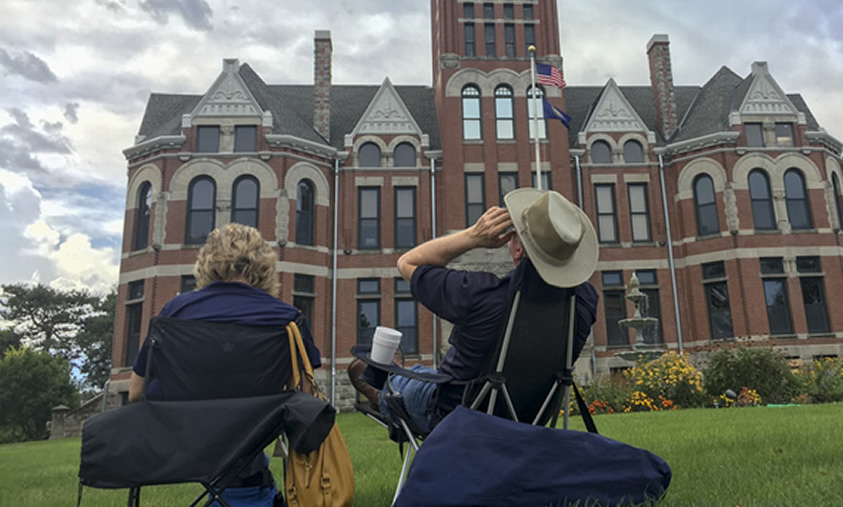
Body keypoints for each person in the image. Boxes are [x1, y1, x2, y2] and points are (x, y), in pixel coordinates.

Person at [349, 188, 599, 432]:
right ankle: (400, 377)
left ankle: (380, 393)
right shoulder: (585, 303)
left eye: (514, 235)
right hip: (529, 419)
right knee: (421, 372)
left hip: (456, 415)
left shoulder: (481, 295)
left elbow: (407, 262)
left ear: (517, 249)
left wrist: (473, 236)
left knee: (405, 381)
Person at [129, 223, 321, 507]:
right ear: (263, 265)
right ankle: (253, 494)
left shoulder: (175, 311)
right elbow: (305, 397)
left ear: (207, 264)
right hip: (255, 430)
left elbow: (135, 392)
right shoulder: (288, 318)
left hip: (188, 432)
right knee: (246, 429)